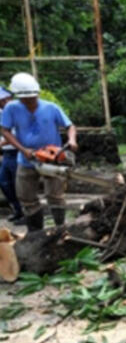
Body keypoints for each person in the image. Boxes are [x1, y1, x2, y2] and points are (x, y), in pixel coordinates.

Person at [0, 72, 77, 231]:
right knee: (27, 197)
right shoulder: (11, 109)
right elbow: (5, 130)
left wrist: (72, 140)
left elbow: (70, 126)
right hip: (26, 160)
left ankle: (60, 229)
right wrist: (22, 149)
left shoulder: (51, 107)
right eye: (26, 99)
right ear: (19, 97)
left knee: (55, 196)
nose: (30, 101)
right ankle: (36, 233)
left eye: (32, 98)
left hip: (52, 158)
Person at [0, 86, 24, 224]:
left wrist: (3, 142)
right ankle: (17, 210)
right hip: (7, 153)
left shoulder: (17, 111)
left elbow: (17, 133)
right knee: (4, 182)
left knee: (19, 183)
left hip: (18, 151)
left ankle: (26, 213)